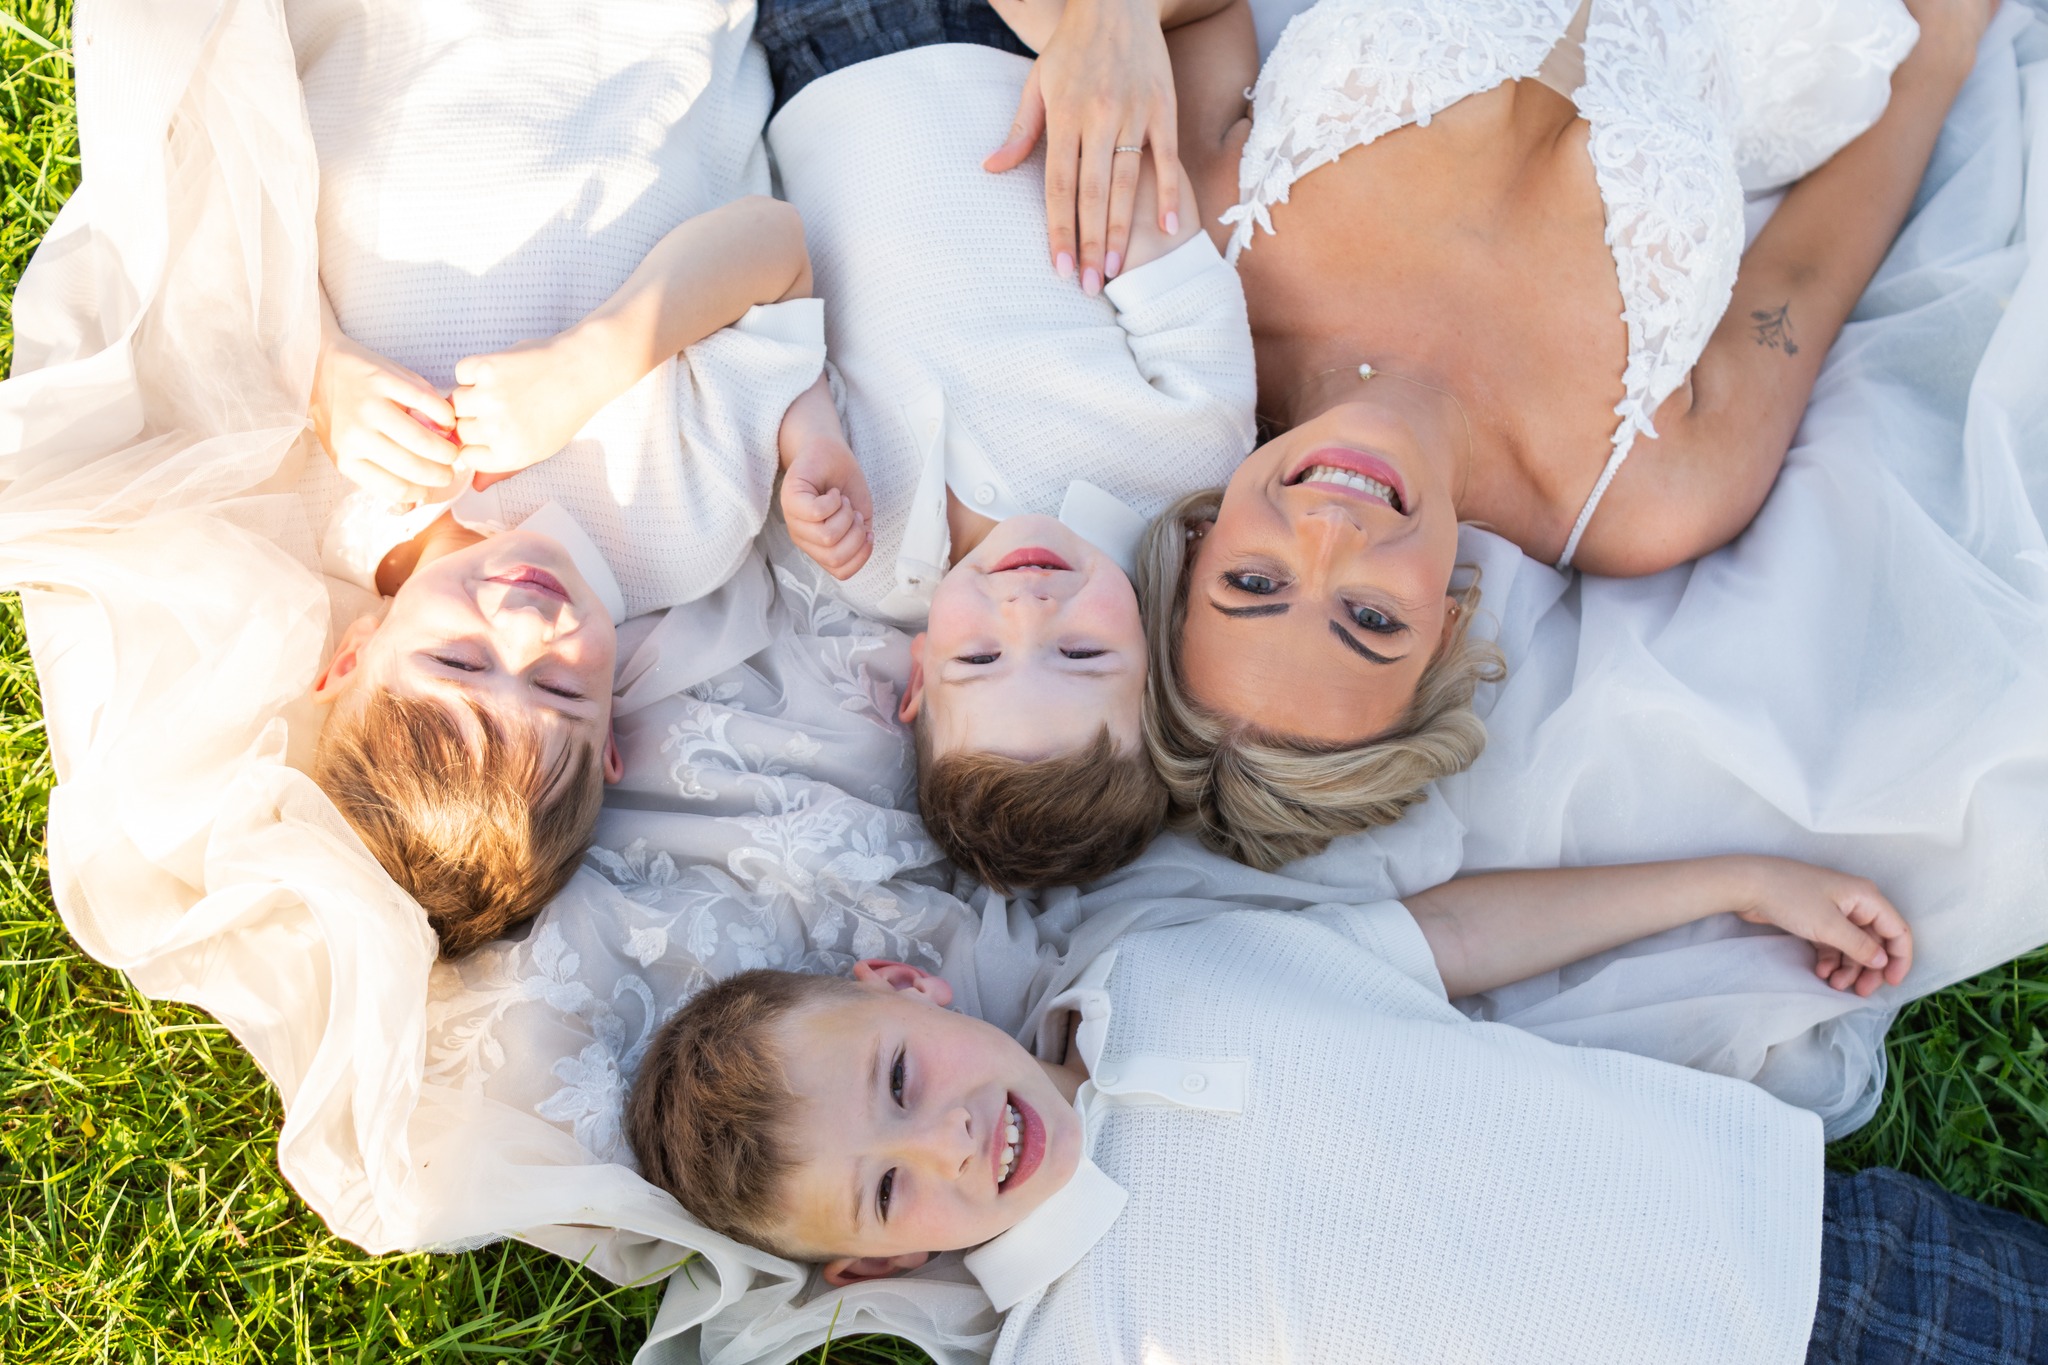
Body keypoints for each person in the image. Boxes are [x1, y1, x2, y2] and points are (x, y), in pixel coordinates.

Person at [1119, 0, 1997, 867]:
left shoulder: (1211, 243)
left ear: (1201, 541)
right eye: (1370, 616)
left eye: (1255, 579)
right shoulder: (1645, 494)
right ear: (1449, 626)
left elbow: (1201, 13)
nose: (1328, 538)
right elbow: (1807, 270)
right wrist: (1951, 34)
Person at [629, 857, 2044, 1363]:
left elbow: (1449, 941)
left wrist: (1726, 881)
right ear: (875, 1264)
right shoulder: (1077, 1346)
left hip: (1809, 1253)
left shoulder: (1158, 972)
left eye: (898, 1076)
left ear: (902, 983)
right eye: (890, 1189)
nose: (944, 1137)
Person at [291, 0, 846, 954]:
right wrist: (597, 360)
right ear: (614, 736)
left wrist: (316, 368)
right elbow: (777, 247)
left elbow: (220, 276)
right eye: (557, 685)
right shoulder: (677, 531)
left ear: (351, 658)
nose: (527, 625)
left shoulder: (333, 495)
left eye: (458, 661)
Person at [749, 0, 1259, 889]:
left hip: (812, 75)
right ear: (1153, 675)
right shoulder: (1187, 467)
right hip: (1017, 48)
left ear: (916, 682)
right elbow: (1151, 221)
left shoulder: (860, 555)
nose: (1027, 609)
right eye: (1082, 654)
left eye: (979, 660)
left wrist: (809, 447)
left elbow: (770, 337)